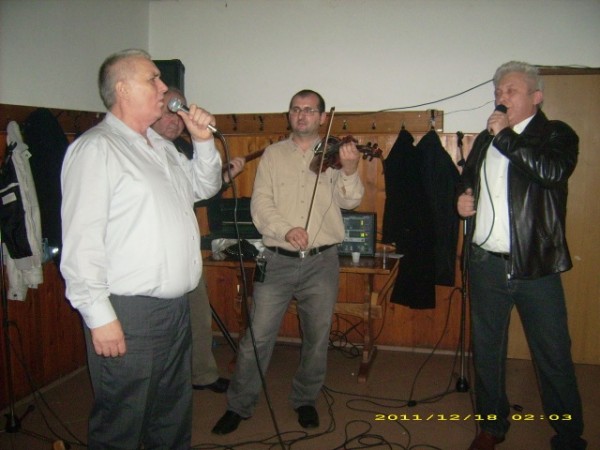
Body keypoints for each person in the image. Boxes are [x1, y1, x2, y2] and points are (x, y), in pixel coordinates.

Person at [60, 49, 222, 449]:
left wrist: (203, 143)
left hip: (176, 308)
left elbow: (204, 187)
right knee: (123, 421)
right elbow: (81, 242)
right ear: (122, 89)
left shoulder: (162, 147)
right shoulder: (97, 149)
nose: (163, 87)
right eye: (153, 79)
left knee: (171, 415)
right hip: (129, 311)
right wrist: (99, 316)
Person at [212, 89, 365, 435]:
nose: (302, 115)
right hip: (277, 259)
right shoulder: (273, 154)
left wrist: (351, 169)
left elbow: (351, 201)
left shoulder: (337, 155)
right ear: (289, 115)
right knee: (257, 337)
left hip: (321, 262)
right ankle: (239, 404)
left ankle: (305, 399)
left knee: (317, 337)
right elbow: (261, 204)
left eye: (309, 110)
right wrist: (285, 229)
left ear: (323, 118)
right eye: (296, 109)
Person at [457, 61, 586, 450]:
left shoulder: (556, 135)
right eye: (498, 91)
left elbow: (550, 171)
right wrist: (463, 199)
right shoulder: (486, 140)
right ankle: (492, 425)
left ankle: (568, 434)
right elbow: (470, 180)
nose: (501, 97)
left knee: (553, 357)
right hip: (486, 265)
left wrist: (505, 137)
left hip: (536, 267)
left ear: (536, 97)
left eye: (511, 90)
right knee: (487, 353)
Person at [151, 86, 245, 394]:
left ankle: (202, 374)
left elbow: (202, 189)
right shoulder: (136, 149)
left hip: (185, 256)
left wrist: (225, 176)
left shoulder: (179, 148)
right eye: (168, 111)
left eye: (180, 112)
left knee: (199, 318)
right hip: (153, 263)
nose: (176, 119)